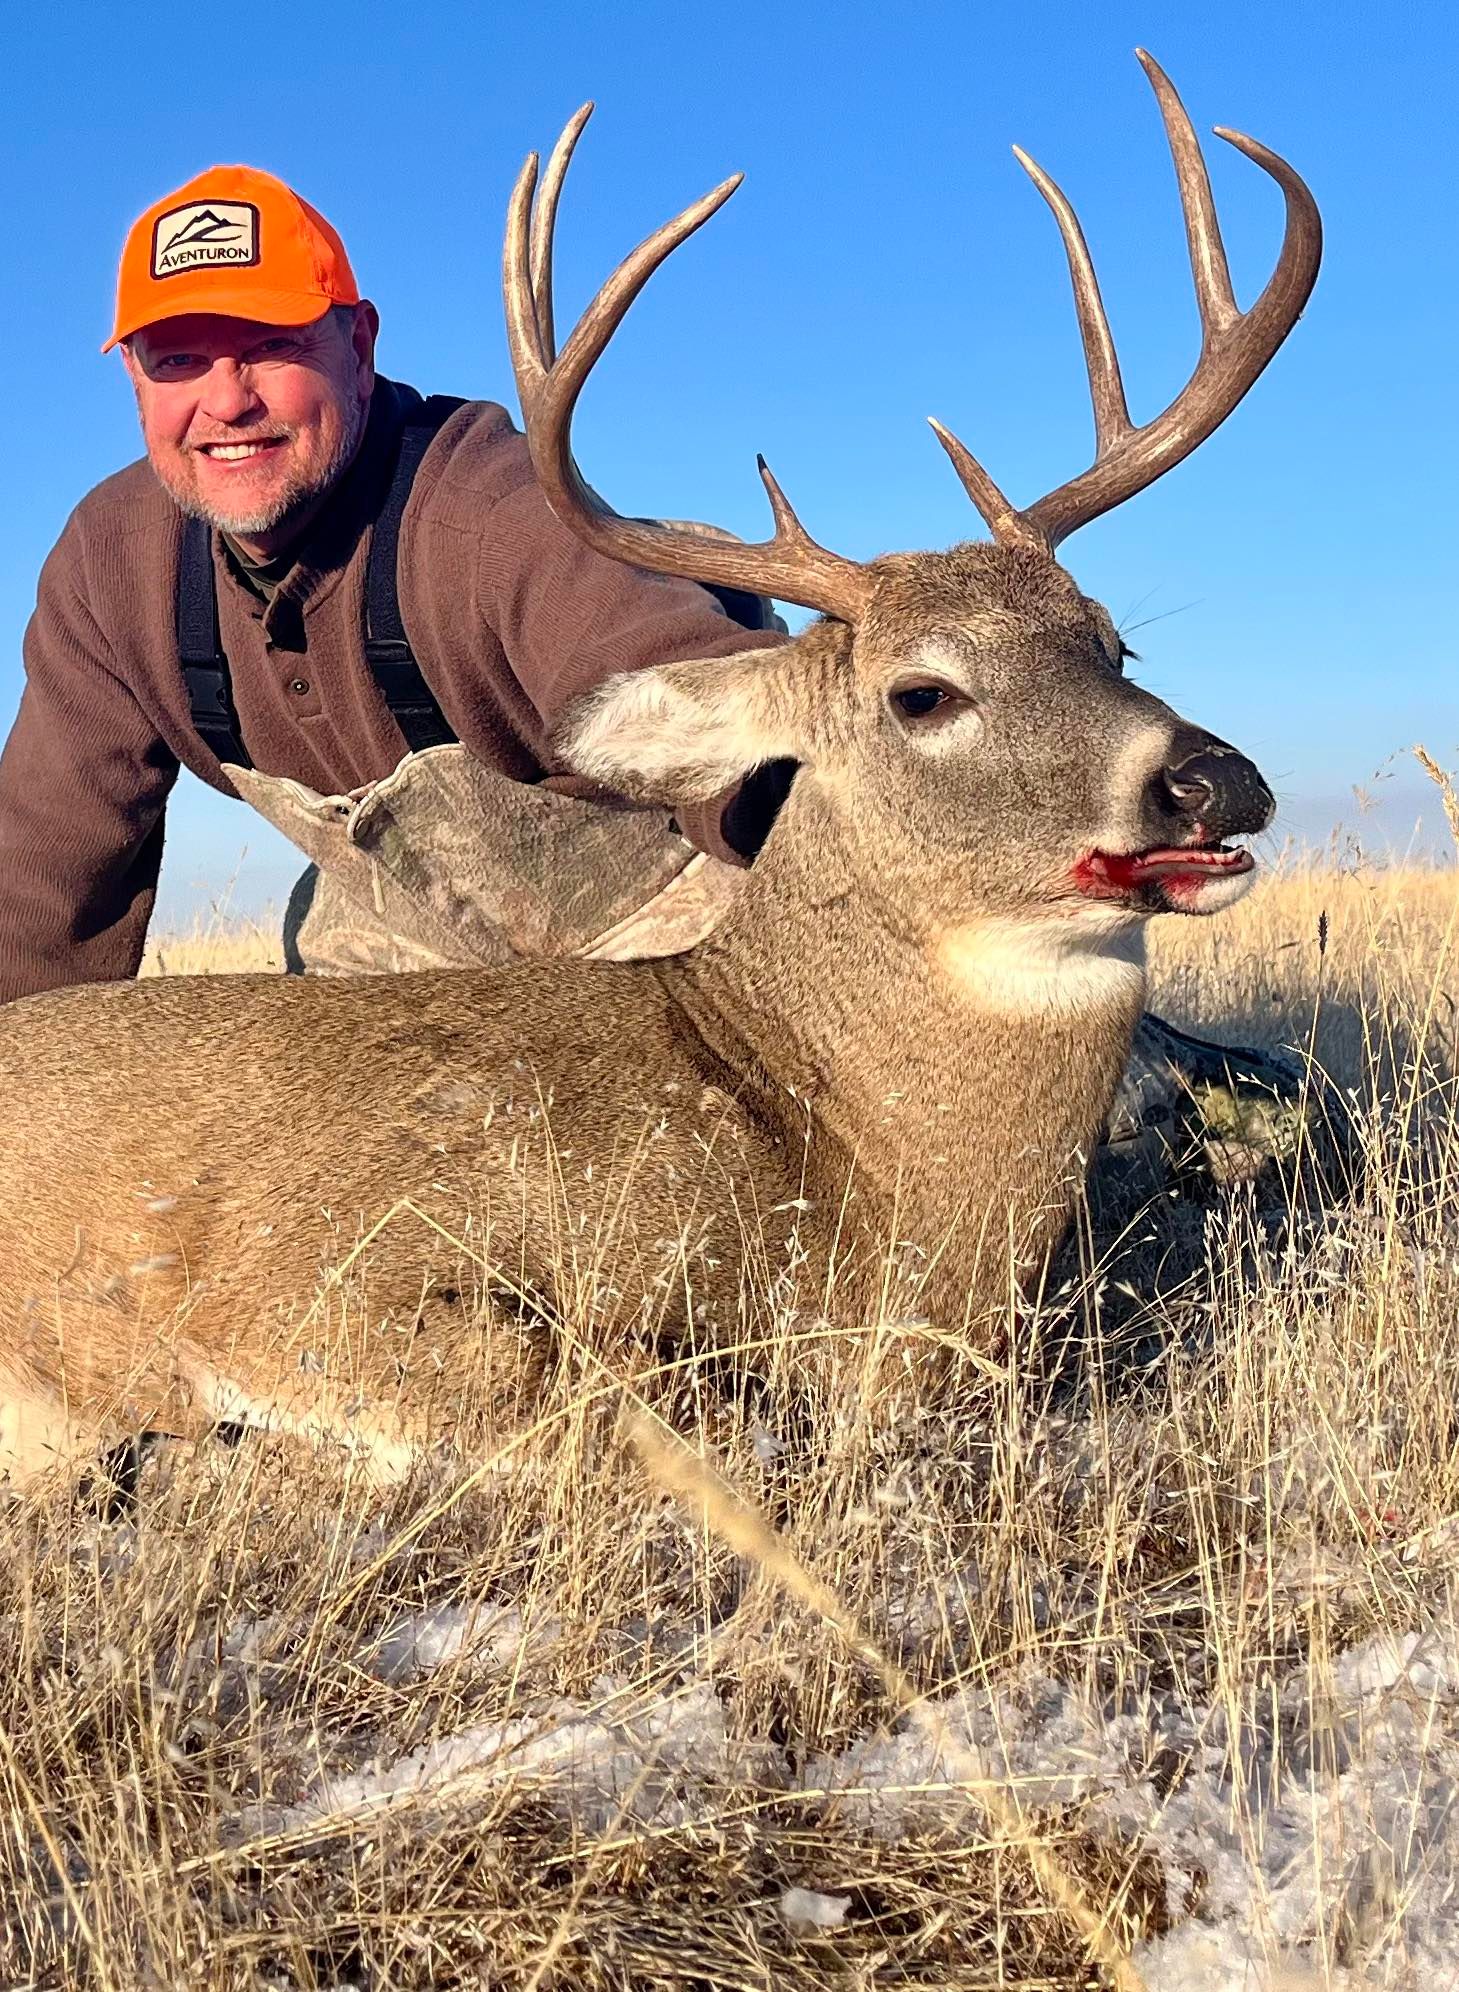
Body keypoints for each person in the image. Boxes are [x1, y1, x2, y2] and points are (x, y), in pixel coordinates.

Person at [0, 162, 1301, 1173]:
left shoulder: (486, 509)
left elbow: (676, 670)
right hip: (399, 966)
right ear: (135, 378)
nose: (225, 399)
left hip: (674, 927)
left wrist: (918, 909)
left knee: (952, 1171)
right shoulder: (115, 570)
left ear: (358, 339)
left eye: (271, 346)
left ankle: (1165, 1087)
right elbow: (49, 879)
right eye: (179, 358)